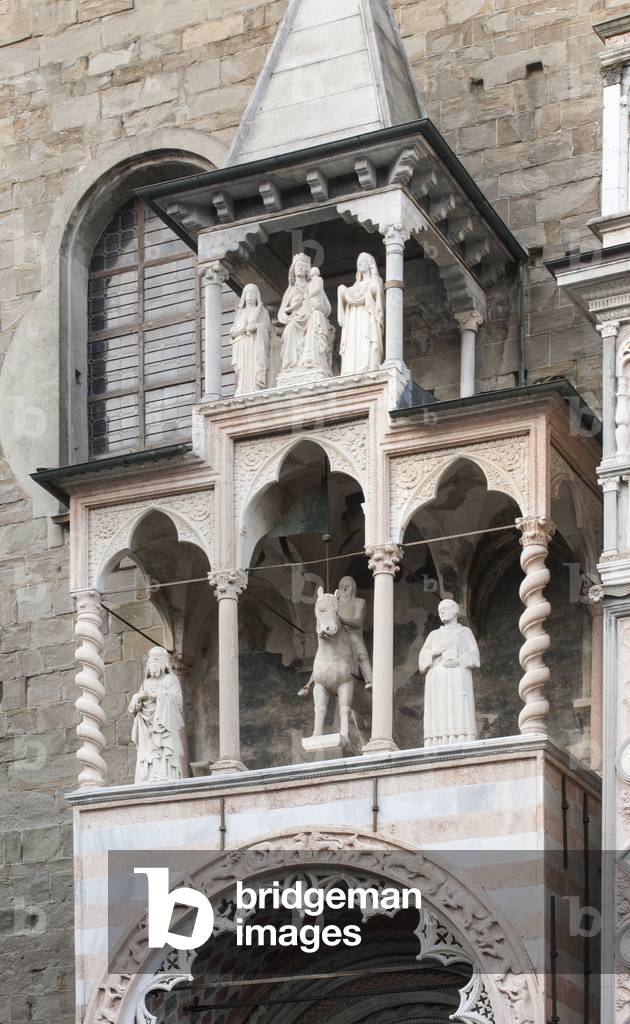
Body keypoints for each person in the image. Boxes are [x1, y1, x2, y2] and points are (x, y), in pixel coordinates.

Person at [418, 599, 479, 747]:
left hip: (458, 676)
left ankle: (461, 738)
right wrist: (435, 652)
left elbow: (475, 657)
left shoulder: (465, 632)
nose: (442, 612)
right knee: (439, 710)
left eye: (445, 608)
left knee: (458, 707)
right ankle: (437, 740)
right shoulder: (433, 635)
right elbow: (422, 659)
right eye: (440, 610)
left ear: (455, 610)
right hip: (437, 679)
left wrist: (459, 661)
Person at [128, 646, 187, 783]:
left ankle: (165, 773)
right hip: (146, 727)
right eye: (151, 657)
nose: (154, 660)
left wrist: (159, 696)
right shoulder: (146, 683)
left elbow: (178, 702)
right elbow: (135, 708)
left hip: (164, 724)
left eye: (157, 657)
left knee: (165, 749)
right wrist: (138, 698)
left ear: (165, 662)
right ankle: (148, 775)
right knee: (147, 753)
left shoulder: (171, 680)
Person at [277, 253, 333, 381]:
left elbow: (327, 308)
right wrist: (290, 314)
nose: (300, 268)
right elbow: (282, 313)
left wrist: (317, 306)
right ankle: (291, 366)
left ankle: (311, 359)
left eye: (303, 265)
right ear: (293, 270)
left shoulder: (314, 284)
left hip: (311, 315)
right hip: (296, 318)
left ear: (308, 270)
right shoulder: (290, 290)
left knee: (316, 317)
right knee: (290, 329)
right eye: (298, 265)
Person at [337, 252, 385, 375]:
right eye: (358, 262)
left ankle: (368, 365)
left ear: (369, 264)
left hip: (367, 315)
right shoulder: (355, 286)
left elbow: (377, 296)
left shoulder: (376, 281)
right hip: (353, 318)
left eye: (362, 261)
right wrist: (342, 291)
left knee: (366, 337)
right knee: (353, 340)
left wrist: (368, 292)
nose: (359, 264)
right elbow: (347, 295)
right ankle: (350, 368)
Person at [229, 283, 271, 395]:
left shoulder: (262, 311)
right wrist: (237, 332)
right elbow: (233, 330)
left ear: (257, 296)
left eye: (253, 293)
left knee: (254, 366)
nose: (250, 296)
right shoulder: (240, 312)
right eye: (248, 293)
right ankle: (242, 388)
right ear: (244, 295)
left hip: (255, 344)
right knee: (243, 369)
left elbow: (267, 328)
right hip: (241, 345)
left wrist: (257, 327)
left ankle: (255, 386)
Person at [337, 575, 372, 687]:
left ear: (353, 588)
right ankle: (311, 683)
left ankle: (370, 680)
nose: (344, 588)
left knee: (362, 656)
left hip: (354, 636)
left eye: (347, 586)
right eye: (341, 586)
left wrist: (340, 619)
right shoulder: (335, 604)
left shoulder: (359, 602)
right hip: (338, 636)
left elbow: (358, 622)